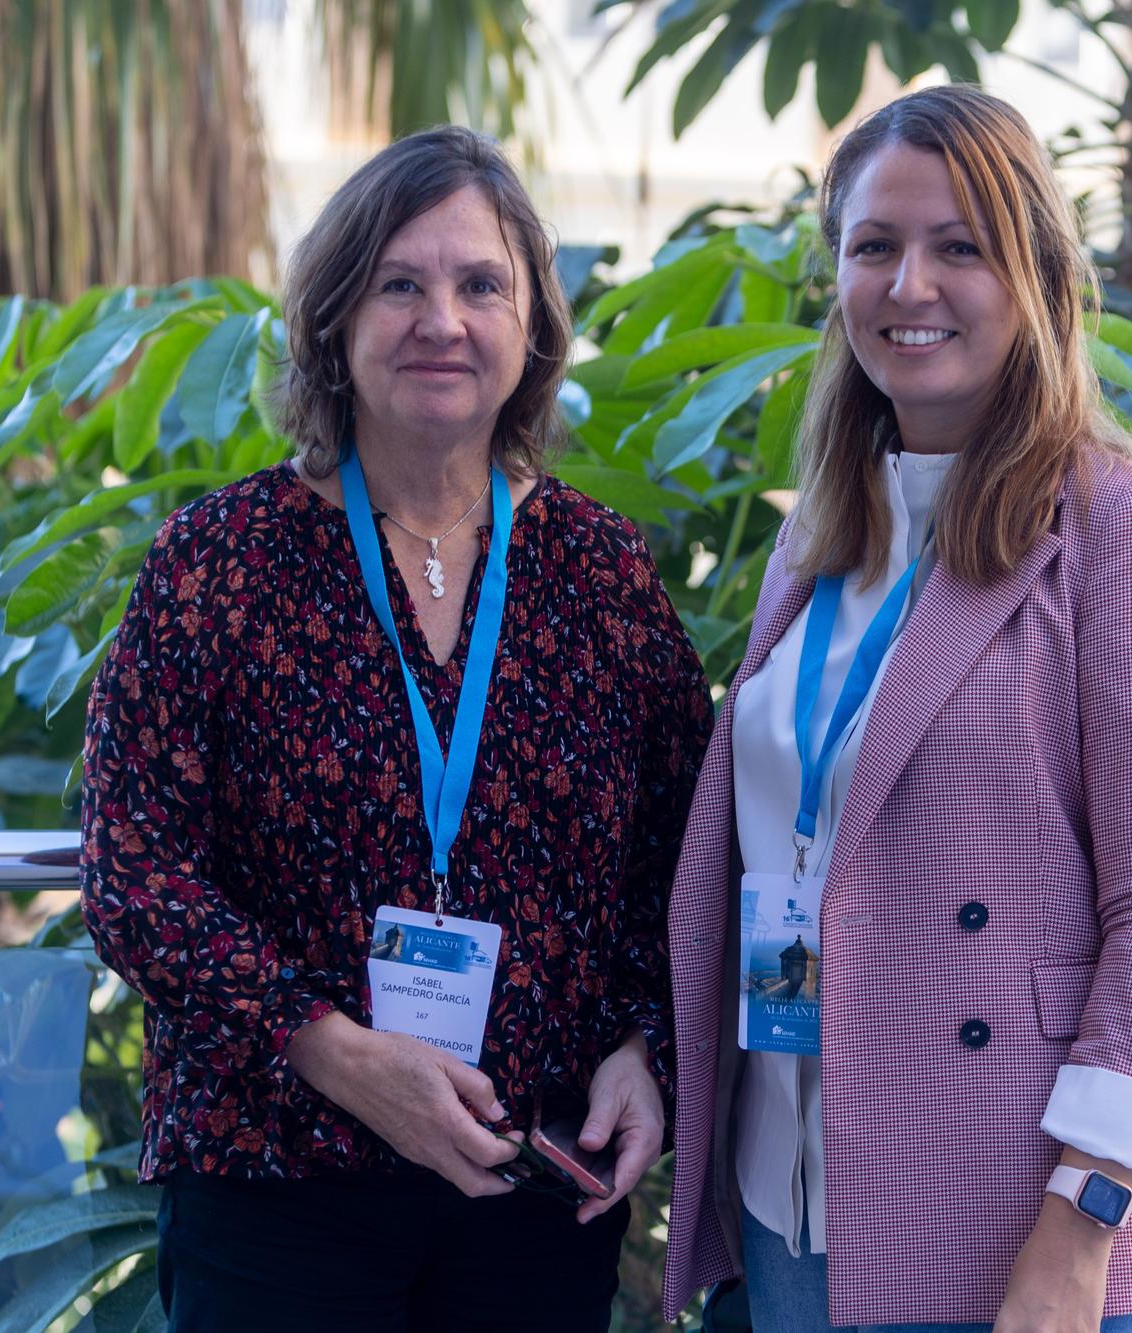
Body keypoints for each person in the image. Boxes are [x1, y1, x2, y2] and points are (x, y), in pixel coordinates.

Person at [79, 126, 713, 1333]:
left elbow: (680, 855)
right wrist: (332, 1050)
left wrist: (646, 1047)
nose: (443, 320)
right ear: (334, 321)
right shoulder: (217, 562)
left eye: (481, 285)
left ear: (530, 327)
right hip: (273, 1177)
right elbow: (133, 872)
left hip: (530, 1182)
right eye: (399, 284)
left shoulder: (602, 575)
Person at [662, 86, 1132, 1333]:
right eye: (873, 246)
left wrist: (1075, 1232)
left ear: (1034, 273)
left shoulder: (1122, 526)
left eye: (957, 247)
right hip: (785, 1194)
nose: (907, 285)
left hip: (1002, 1219)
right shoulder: (822, 533)